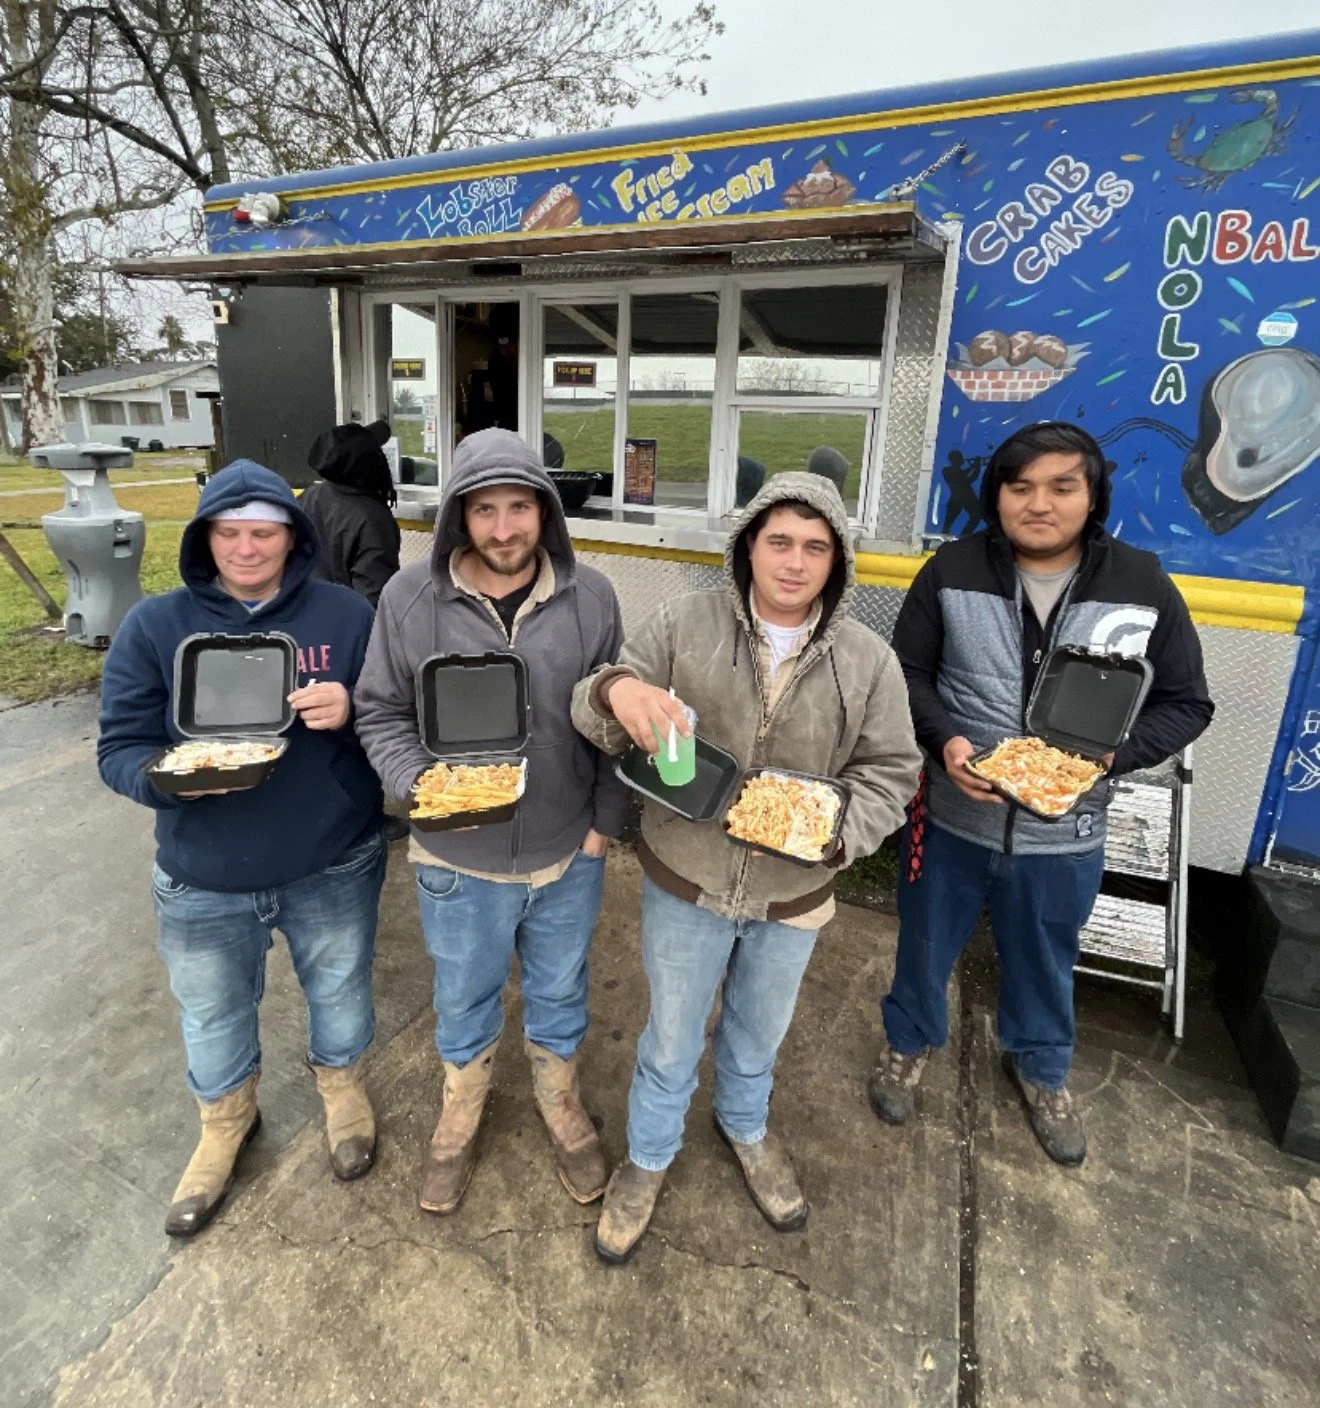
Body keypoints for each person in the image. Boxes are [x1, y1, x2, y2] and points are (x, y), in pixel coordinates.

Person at [572, 472, 922, 1264]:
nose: (794, 563)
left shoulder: (868, 662)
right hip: (685, 878)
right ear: (747, 549)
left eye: (815, 547)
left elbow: (893, 772)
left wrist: (834, 839)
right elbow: (593, 708)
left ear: (837, 562)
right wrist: (618, 693)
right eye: (778, 542)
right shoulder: (684, 624)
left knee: (758, 1032)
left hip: (795, 893)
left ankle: (746, 1128)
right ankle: (648, 1159)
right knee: (670, 1036)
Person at [870, 421, 1214, 1165]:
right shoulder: (950, 570)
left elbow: (1189, 705)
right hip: (953, 817)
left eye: (1063, 486)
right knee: (925, 946)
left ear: (1092, 498)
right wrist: (947, 743)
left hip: (1068, 833)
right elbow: (906, 675)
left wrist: (1105, 761)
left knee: (1045, 957)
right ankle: (909, 1041)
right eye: (1019, 486)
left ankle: (1040, 1067)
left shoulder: (1142, 584)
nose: (1039, 504)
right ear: (998, 495)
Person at [97, 461, 387, 1236]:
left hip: (332, 857)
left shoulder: (346, 617)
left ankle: (343, 1090)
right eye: (228, 532)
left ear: (293, 537)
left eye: (264, 532)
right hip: (203, 870)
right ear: (204, 536)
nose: (246, 548)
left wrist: (354, 708)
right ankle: (225, 1124)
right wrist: (167, 780)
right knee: (215, 1011)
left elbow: (394, 721)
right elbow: (119, 746)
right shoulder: (154, 626)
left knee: (340, 988)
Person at [354, 428, 628, 1216]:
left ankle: (559, 1098)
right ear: (458, 517)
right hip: (455, 857)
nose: (503, 529)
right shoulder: (408, 599)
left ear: (545, 511)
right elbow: (379, 712)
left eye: (520, 507)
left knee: (559, 986)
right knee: (466, 991)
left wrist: (603, 826)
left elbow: (612, 723)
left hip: (565, 849)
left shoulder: (593, 598)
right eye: (483, 510)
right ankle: (461, 1105)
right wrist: (417, 789)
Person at [300, 419, 401, 608]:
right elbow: (373, 599)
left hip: (304, 618)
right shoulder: (372, 519)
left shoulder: (310, 495)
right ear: (373, 464)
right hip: (346, 627)